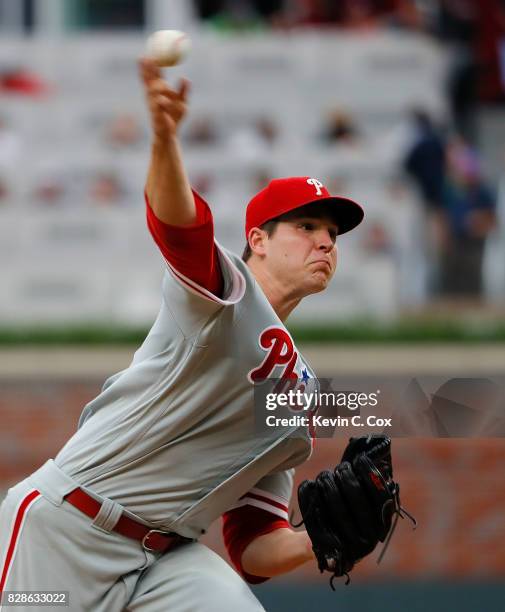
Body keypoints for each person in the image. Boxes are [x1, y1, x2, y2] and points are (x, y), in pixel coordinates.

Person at [0, 59, 364, 611]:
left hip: (166, 559)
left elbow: (253, 544)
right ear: (258, 240)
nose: (326, 242)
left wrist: (321, 538)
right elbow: (179, 225)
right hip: (66, 531)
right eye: (306, 226)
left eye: (333, 233)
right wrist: (165, 141)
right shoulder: (224, 295)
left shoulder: (301, 396)